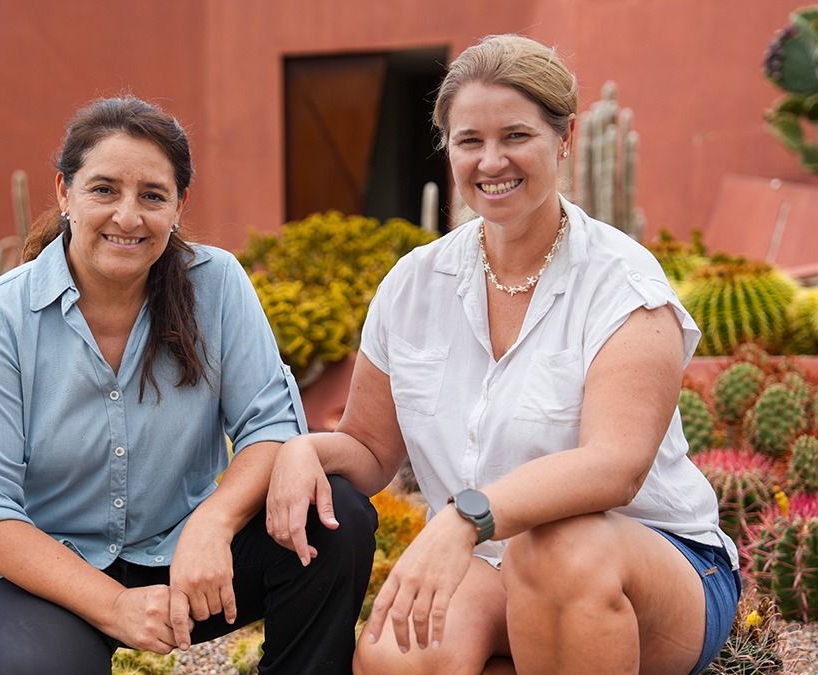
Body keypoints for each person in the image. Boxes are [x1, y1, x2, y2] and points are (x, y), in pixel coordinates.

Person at [266, 34, 739, 675]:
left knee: (557, 549)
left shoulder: (623, 285)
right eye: (470, 142)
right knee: (396, 657)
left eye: (516, 136)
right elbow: (373, 452)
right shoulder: (411, 284)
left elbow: (615, 467)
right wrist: (302, 450)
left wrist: (464, 518)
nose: (492, 162)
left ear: (563, 138)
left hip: (645, 563)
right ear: (449, 149)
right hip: (490, 564)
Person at [0, 96, 377, 674]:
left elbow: (272, 428)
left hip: (183, 555)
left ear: (178, 205)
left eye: (151, 196)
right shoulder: (1, 317)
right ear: (65, 193)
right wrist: (114, 605)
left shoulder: (216, 285)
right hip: (41, 577)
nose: (127, 216)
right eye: (103, 190)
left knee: (335, 515)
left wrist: (213, 523)